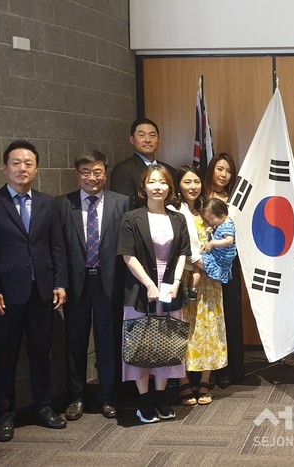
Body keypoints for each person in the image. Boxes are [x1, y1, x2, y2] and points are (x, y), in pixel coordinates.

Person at [0, 140, 68, 442]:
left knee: (41, 353)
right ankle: (4, 414)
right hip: (6, 295)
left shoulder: (47, 203)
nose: (22, 168)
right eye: (16, 162)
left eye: (28, 163)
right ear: (5, 167)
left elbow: (57, 247)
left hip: (42, 291)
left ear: (36, 168)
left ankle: (42, 406)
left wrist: (60, 282)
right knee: (5, 356)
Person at [57, 150, 130, 421]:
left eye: (97, 172)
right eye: (86, 172)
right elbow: (58, 249)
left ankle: (108, 396)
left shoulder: (122, 203)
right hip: (76, 283)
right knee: (75, 341)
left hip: (109, 281)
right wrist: (60, 283)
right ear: (78, 175)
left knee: (108, 340)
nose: (92, 177)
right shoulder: (62, 204)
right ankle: (76, 396)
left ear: (105, 173)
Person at [117, 166, 191, 422]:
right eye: (152, 182)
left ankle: (161, 397)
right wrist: (149, 284)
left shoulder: (178, 218)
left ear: (170, 188)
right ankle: (144, 401)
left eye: (163, 182)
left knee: (167, 343)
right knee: (141, 343)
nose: (158, 186)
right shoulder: (131, 218)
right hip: (141, 288)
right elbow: (128, 255)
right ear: (143, 188)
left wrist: (177, 281)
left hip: (170, 289)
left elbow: (183, 252)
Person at [172, 165, 227, 407]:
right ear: (178, 186)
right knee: (183, 328)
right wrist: (195, 264)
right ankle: (183, 381)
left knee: (209, 328)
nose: (193, 187)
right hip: (184, 278)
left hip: (211, 281)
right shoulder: (173, 212)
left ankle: (205, 379)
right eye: (187, 182)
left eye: (196, 181)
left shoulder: (209, 209)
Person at [204, 152, 245, 388]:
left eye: (229, 171)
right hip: (204, 264)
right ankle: (206, 370)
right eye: (220, 169)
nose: (224, 174)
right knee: (207, 317)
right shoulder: (200, 195)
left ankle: (230, 370)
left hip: (229, 263)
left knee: (230, 313)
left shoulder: (237, 199)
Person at [109, 118, 178, 209]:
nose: (148, 140)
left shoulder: (170, 170)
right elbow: (124, 207)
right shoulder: (122, 170)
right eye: (142, 135)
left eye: (152, 135)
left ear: (158, 140)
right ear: (132, 140)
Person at [201, 199, 237, 283]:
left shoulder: (227, 225)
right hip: (220, 256)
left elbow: (229, 241)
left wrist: (212, 243)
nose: (210, 222)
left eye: (211, 219)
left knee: (202, 260)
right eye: (208, 220)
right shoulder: (221, 223)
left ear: (221, 213)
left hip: (221, 258)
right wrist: (211, 231)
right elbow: (219, 235)